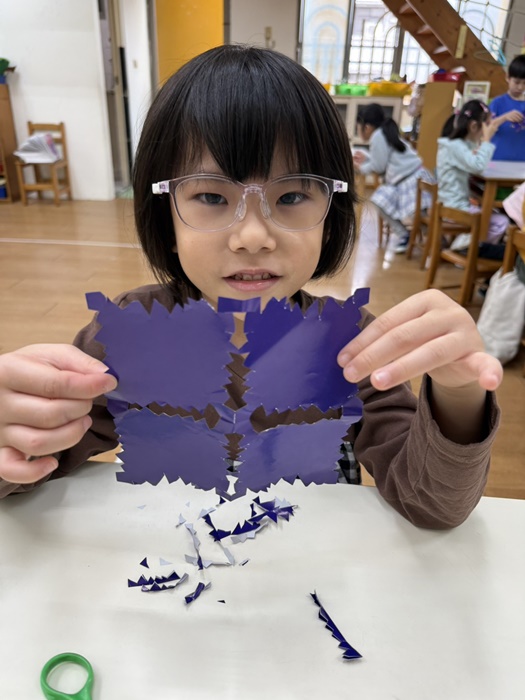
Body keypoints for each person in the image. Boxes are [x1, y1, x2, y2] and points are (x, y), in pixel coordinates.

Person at [0, 45, 502, 529]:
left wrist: (458, 395)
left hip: (308, 574)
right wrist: (13, 436)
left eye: (293, 196)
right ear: (165, 214)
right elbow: (26, 470)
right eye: (211, 197)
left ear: (330, 217)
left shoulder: (354, 346)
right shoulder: (127, 338)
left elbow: (431, 505)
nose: (253, 237)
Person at [352, 103, 433, 254]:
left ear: (366, 127)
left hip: (409, 180)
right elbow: (385, 159)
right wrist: (366, 158)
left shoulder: (377, 136)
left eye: (358, 127)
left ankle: (407, 235)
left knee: (380, 201)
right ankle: (420, 237)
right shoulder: (384, 132)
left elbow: (378, 166)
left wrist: (359, 168)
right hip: (414, 177)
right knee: (417, 216)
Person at [436, 99, 509, 255]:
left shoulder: (456, 144)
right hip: (455, 207)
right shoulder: (456, 146)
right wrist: (487, 140)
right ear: (474, 126)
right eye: (486, 125)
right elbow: (478, 166)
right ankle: (466, 248)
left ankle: (466, 243)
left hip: (450, 202)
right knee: (501, 222)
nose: (486, 130)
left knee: (491, 213)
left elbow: (474, 159)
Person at [489, 54, 525, 163]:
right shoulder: (497, 103)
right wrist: (504, 117)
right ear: (508, 77)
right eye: (517, 82)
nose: (520, 87)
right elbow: (486, 129)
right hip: (498, 160)